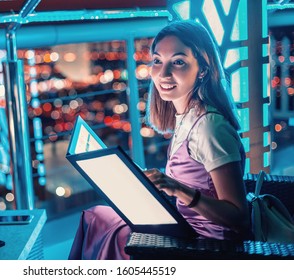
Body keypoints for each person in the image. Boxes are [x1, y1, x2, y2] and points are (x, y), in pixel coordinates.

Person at [68, 20, 251, 260]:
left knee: (100, 219)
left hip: (204, 245)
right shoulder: (188, 116)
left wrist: (176, 188)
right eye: (157, 61)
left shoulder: (209, 127)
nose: (163, 73)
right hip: (186, 229)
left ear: (203, 69)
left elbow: (238, 216)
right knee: (101, 216)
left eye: (178, 62)